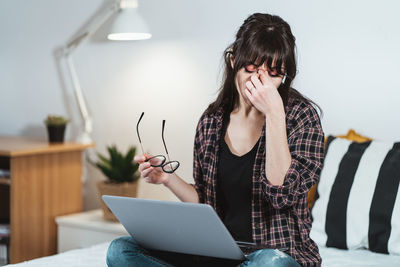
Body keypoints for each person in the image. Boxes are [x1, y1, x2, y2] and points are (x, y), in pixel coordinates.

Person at [106, 13, 324, 267]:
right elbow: (206, 205)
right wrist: (167, 178)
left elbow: (282, 195)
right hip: (217, 254)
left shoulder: (302, 116)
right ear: (234, 60)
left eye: (274, 73)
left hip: (273, 254)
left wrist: (275, 113)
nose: (261, 81)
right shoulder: (212, 120)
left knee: (271, 264)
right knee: (120, 250)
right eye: (252, 67)